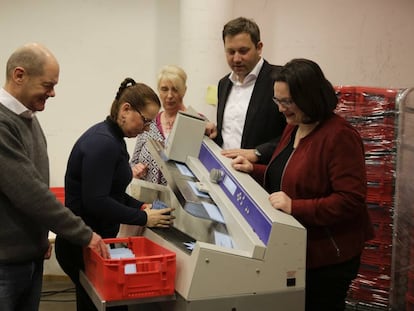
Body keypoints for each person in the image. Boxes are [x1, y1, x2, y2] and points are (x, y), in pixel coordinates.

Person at [231, 58, 374, 311]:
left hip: (328, 257)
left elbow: (350, 200)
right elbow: (288, 174)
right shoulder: (296, 125)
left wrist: (295, 207)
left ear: (309, 98)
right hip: (298, 249)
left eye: (287, 102)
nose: (281, 109)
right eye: (278, 101)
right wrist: (254, 169)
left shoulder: (339, 136)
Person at [0, 42, 109, 311]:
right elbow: (29, 193)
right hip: (5, 266)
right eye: (47, 85)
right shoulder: (3, 124)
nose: (53, 93)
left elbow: (36, 181)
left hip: (29, 256)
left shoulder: (28, 117)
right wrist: (84, 235)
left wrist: (39, 239)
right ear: (19, 75)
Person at [54, 78, 175, 311]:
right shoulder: (103, 144)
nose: (148, 128)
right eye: (146, 120)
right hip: (81, 245)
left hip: (94, 241)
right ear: (126, 109)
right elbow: (96, 202)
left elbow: (114, 193)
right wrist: (143, 219)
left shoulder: (113, 138)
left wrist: (141, 206)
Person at [213, 16, 286, 164]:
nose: (237, 59)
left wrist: (258, 152)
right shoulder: (223, 84)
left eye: (243, 51)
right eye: (231, 52)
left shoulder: (280, 80)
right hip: (226, 169)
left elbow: (295, 133)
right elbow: (230, 132)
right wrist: (214, 131)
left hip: (262, 174)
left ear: (259, 47)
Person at [130, 64, 215, 183]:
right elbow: (133, 162)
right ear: (158, 91)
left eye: (175, 89)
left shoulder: (199, 123)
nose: (169, 95)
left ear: (184, 91)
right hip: (149, 199)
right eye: (164, 89)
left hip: (184, 199)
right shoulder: (149, 123)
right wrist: (135, 171)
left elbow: (208, 169)